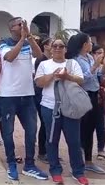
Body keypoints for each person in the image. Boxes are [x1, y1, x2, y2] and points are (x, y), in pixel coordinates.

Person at [0, 17, 47, 181]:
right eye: (20, 24)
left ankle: (30, 164)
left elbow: (40, 56)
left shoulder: (27, 42)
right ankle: (11, 163)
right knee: (8, 131)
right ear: (12, 28)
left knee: (32, 130)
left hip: (27, 95)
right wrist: (22, 40)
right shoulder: (3, 43)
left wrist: (29, 38)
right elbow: (10, 57)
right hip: (8, 96)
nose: (23, 26)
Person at [34, 38, 89, 185]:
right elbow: (39, 83)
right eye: (55, 46)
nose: (58, 48)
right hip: (49, 107)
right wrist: (52, 75)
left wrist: (67, 77)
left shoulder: (73, 63)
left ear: (65, 49)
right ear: (51, 49)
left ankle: (78, 171)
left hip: (70, 107)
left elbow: (81, 80)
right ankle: (55, 170)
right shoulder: (44, 64)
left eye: (61, 46)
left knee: (74, 141)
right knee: (52, 140)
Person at [66, 33, 105, 174]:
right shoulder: (75, 60)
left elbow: (99, 76)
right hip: (83, 96)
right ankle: (81, 160)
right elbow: (82, 79)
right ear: (84, 45)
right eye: (89, 42)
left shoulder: (89, 58)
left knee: (92, 127)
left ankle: (88, 161)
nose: (92, 44)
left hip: (95, 96)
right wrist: (94, 66)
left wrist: (104, 66)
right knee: (83, 129)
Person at [33, 37, 51, 162]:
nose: (55, 47)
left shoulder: (49, 60)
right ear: (45, 46)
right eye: (52, 44)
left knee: (48, 123)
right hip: (40, 94)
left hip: (46, 93)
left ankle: (47, 150)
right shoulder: (41, 60)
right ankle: (42, 151)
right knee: (45, 122)